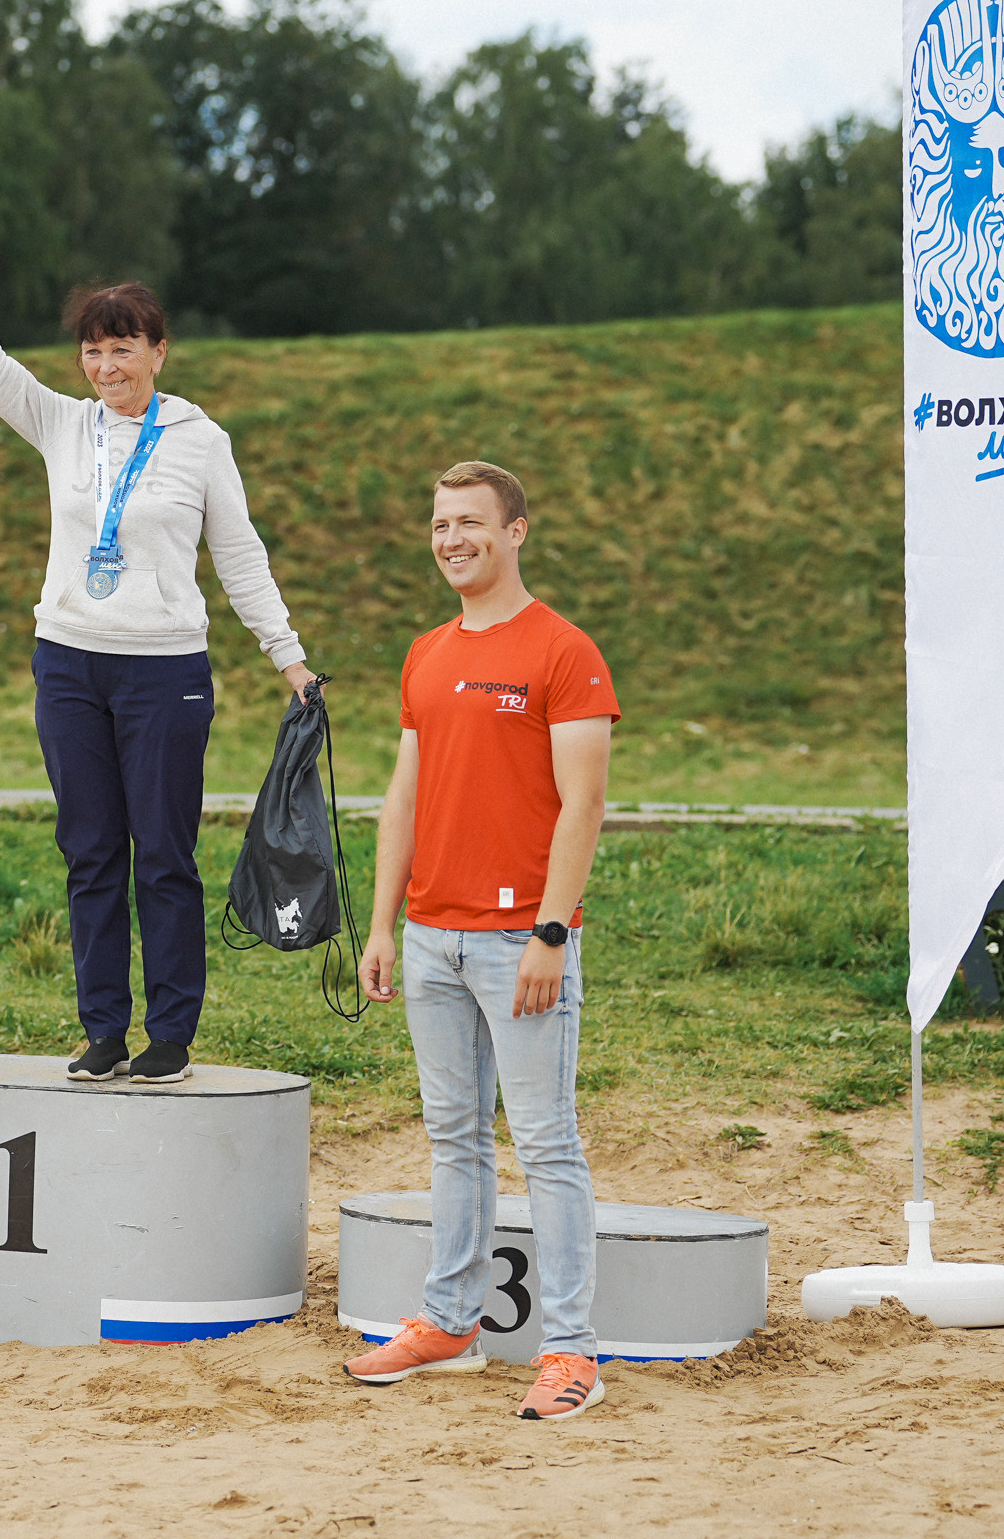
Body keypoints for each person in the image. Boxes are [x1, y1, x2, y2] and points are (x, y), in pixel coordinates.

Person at [0, 173, 316, 1086]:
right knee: (90, 853)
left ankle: (170, 1034)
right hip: (68, 665)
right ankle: (102, 1030)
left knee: (164, 856)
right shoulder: (62, 424)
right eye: (93, 351)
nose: (105, 367)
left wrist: (287, 659)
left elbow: (239, 556)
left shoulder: (200, 440)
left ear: (159, 351)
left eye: (123, 349)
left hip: (164, 673)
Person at [350, 462, 618, 1423]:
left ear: (515, 531)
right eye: (439, 524)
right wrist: (383, 924)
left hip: (519, 942)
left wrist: (551, 930)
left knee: (546, 1143)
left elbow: (584, 805)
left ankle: (572, 1349)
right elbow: (405, 797)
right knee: (453, 1138)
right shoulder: (426, 652)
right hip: (432, 938)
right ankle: (450, 1323)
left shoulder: (564, 651)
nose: (451, 539)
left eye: (470, 522)